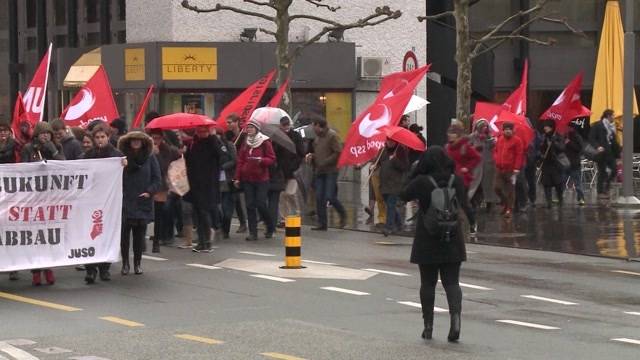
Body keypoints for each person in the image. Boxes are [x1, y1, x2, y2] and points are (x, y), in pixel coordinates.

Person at [399, 146, 473, 343]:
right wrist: (472, 225)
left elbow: (402, 194)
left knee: (428, 283)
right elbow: (466, 205)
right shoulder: (455, 179)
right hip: (452, 237)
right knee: (452, 283)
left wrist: (413, 173)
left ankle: (428, 326)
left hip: (428, 237)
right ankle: (455, 320)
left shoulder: (422, 182)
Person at [21, 121, 65, 286]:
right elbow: (23, 170)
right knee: (36, 236)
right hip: (34, 197)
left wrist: (53, 151)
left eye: (48, 133)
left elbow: (64, 165)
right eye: (42, 133)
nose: (45, 135)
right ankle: (36, 272)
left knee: (48, 236)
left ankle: (48, 268)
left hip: (51, 197)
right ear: (37, 135)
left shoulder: (56, 147)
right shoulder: (28, 149)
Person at [81, 124, 125, 284]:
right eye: (97, 137)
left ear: (108, 137)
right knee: (90, 233)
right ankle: (90, 269)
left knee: (106, 233)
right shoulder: (88, 155)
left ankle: (104, 268)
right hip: (92, 199)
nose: (100, 140)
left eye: (103, 137)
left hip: (109, 200)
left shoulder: (116, 155)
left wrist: (123, 166)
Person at [118, 131, 161, 275]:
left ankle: (137, 263)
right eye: (133, 140)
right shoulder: (122, 158)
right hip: (126, 200)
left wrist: (149, 192)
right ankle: (125, 263)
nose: (136, 143)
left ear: (143, 142)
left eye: (138, 140)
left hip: (143, 200)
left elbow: (157, 179)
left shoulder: (150, 158)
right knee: (124, 235)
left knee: (139, 236)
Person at [234, 120, 276, 241]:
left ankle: (270, 225)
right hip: (248, 178)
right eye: (248, 128)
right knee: (249, 205)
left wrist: (261, 160)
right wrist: (237, 177)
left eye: (252, 127)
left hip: (262, 178)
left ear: (257, 129)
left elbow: (272, 158)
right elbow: (241, 161)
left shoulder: (264, 141)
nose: (249, 129)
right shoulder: (246, 143)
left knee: (261, 203)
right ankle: (253, 232)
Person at [184, 125, 222, 252]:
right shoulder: (193, 143)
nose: (201, 134)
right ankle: (201, 241)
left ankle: (207, 241)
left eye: (204, 131)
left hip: (208, 183)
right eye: (199, 131)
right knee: (197, 213)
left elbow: (220, 155)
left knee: (204, 212)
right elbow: (189, 160)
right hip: (195, 183)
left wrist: (212, 138)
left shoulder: (213, 142)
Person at [305, 116, 347, 231]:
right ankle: (322, 223)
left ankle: (343, 214)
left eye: (314, 125)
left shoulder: (332, 136)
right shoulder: (317, 139)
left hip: (331, 171)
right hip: (319, 171)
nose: (313, 128)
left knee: (330, 196)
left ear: (319, 126)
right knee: (319, 197)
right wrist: (312, 157)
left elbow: (338, 152)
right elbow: (317, 153)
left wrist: (325, 161)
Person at [148, 130, 181, 251]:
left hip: (164, 185)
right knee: (155, 213)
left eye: (157, 138)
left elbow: (164, 167)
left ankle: (166, 235)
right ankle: (159, 236)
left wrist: (157, 155)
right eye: (153, 138)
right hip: (151, 184)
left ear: (162, 138)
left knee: (165, 210)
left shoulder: (167, 150)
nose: (155, 140)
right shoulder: (147, 148)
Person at [0, 119, 20, 281]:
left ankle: (13, 266)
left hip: (11, 190)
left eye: (5, 130)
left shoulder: (15, 145)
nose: (3, 133)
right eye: (0, 131)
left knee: (11, 228)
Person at [377, 139, 410, 236]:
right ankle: (399, 224)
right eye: (388, 140)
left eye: (391, 141)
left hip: (395, 183)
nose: (389, 142)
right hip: (384, 183)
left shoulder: (400, 150)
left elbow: (405, 167)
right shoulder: (383, 150)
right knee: (390, 205)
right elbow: (378, 162)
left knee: (391, 205)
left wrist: (395, 160)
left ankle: (388, 227)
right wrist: (374, 165)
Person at [493, 122, 524, 219]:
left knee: (510, 190)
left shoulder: (517, 141)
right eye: (506, 129)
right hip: (499, 169)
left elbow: (519, 155)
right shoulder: (500, 139)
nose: (507, 131)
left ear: (512, 130)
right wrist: (496, 159)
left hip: (511, 170)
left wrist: (516, 168)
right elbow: (496, 151)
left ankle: (509, 209)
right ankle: (505, 203)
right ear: (503, 130)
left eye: (509, 129)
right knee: (497, 188)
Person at [589, 109, 621, 203]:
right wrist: (597, 146)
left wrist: (618, 155)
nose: (614, 118)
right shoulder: (598, 125)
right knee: (602, 172)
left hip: (610, 153)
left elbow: (614, 142)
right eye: (613, 116)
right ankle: (600, 192)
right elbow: (591, 138)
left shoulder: (612, 127)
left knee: (615, 170)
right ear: (608, 116)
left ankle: (606, 187)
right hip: (601, 153)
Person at [278, 116, 305, 221]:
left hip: (293, 170)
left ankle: (296, 214)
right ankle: (284, 217)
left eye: (287, 125)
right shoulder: (278, 137)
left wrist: (295, 166)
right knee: (282, 195)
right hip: (281, 171)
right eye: (283, 125)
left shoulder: (296, 136)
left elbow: (301, 152)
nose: (285, 127)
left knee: (291, 193)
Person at [468, 119, 498, 210]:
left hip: (488, 164)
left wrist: (492, 141)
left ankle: (489, 202)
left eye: (485, 127)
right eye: (481, 127)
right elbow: (466, 149)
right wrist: (475, 149)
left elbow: (495, 149)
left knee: (488, 184)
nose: (483, 128)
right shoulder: (472, 137)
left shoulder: (490, 137)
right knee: (475, 184)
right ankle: (473, 202)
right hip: (476, 165)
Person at [226, 114, 248, 233]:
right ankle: (239, 222)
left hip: (241, 168)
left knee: (240, 197)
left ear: (237, 122)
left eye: (230, 122)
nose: (228, 125)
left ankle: (244, 222)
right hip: (231, 170)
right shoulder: (227, 136)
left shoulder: (243, 136)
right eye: (227, 123)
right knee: (233, 197)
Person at [445, 121, 481, 190]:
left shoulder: (464, 146)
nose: (450, 135)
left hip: (462, 179)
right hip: (450, 178)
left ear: (458, 135)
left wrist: (467, 168)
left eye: (453, 133)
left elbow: (477, 157)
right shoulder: (447, 147)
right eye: (449, 133)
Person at [539, 120, 566, 208]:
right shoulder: (543, 137)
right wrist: (541, 155)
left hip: (556, 164)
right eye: (544, 126)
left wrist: (554, 142)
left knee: (558, 183)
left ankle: (560, 199)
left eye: (546, 126)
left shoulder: (558, 136)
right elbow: (540, 148)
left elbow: (562, 148)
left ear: (551, 127)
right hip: (546, 164)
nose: (544, 128)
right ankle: (548, 202)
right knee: (546, 184)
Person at [219, 129, 238, 239]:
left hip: (226, 180)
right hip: (214, 180)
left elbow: (235, 160)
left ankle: (225, 229)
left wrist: (223, 167)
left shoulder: (229, 145)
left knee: (226, 208)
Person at [565, 124, 586, 206]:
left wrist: (569, 143)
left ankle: (581, 198)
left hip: (574, 163)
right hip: (566, 162)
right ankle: (559, 196)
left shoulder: (576, 137)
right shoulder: (564, 136)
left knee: (577, 182)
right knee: (562, 181)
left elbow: (579, 148)